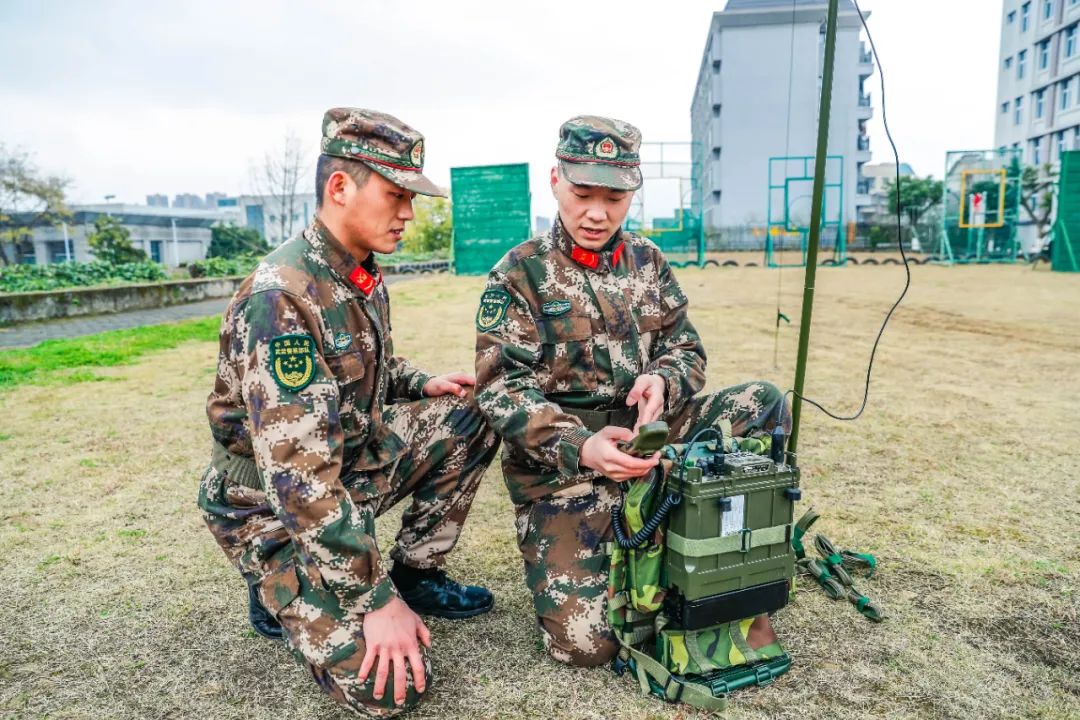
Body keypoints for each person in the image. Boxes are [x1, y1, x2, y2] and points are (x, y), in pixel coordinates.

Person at [198, 107, 500, 717]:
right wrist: (377, 601)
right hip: (272, 505)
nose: (409, 214)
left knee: (474, 410)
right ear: (340, 187)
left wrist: (424, 382)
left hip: (346, 465)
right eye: (395, 195)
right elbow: (299, 482)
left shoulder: (356, 271)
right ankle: (276, 576)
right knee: (390, 688)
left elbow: (366, 365)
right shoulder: (281, 297)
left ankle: (419, 571)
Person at [474, 115, 789, 668]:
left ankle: (723, 533)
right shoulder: (518, 273)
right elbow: (501, 388)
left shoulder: (648, 261)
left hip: (651, 441)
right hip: (564, 469)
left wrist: (662, 381)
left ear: (632, 193)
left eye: (614, 196)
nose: (597, 212)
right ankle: (643, 529)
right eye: (582, 193)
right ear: (554, 180)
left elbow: (687, 350)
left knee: (762, 401)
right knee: (587, 646)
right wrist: (580, 445)